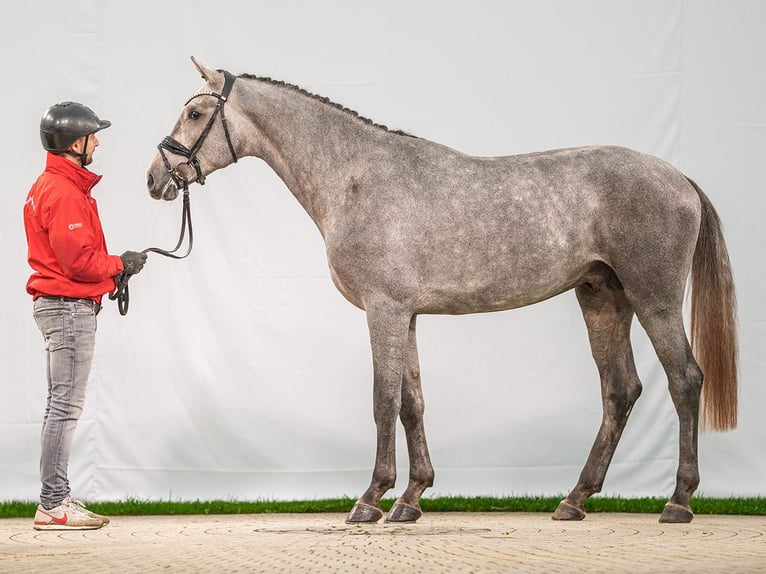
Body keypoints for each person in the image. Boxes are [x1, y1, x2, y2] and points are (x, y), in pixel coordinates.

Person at [23, 101, 147, 530]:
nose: (97, 142)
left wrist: (112, 272)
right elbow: (79, 263)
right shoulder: (63, 191)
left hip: (62, 305)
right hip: (68, 309)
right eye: (93, 136)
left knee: (60, 405)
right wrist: (120, 265)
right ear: (75, 143)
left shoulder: (52, 185)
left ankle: (54, 500)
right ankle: (54, 503)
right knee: (64, 407)